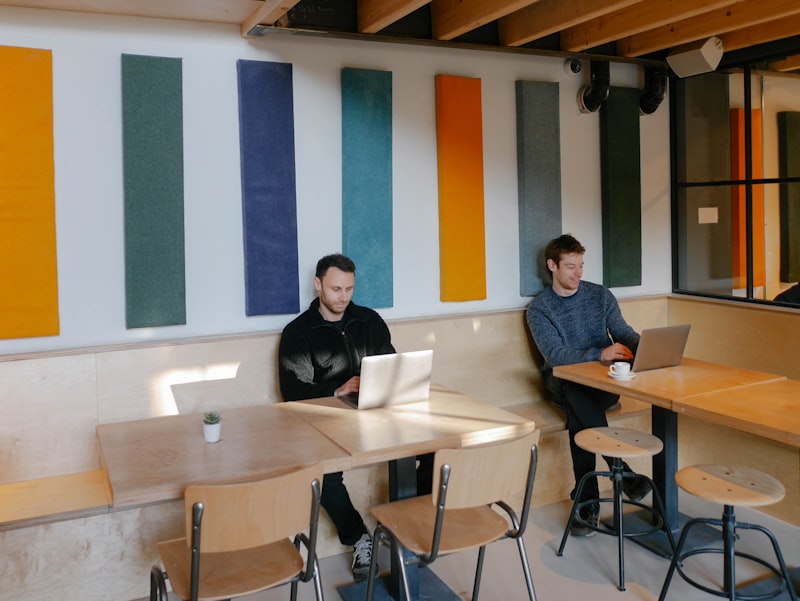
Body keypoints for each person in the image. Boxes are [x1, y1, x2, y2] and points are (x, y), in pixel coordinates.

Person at [278, 253, 432, 581]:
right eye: (335, 289)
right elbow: (291, 392)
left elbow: (392, 366)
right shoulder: (297, 333)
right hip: (325, 423)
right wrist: (336, 389)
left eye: (348, 288)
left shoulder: (368, 320)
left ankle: (400, 524)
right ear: (318, 284)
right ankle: (359, 538)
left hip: (376, 415)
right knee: (324, 475)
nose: (343, 297)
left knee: (435, 451)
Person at [526, 234, 651, 536]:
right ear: (552, 265)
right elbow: (555, 356)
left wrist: (645, 348)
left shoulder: (600, 295)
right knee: (574, 389)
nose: (578, 273)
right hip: (562, 381)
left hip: (604, 382)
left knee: (579, 408)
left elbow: (623, 332)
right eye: (570, 267)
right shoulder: (539, 309)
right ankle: (622, 472)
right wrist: (600, 353)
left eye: (581, 265)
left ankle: (588, 502)